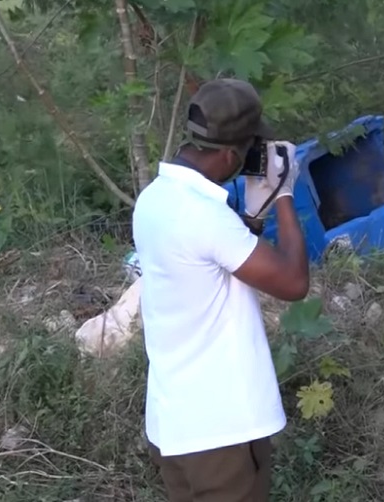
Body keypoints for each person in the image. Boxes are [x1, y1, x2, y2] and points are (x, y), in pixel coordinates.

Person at [131, 78, 309, 502]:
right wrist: (283, 195)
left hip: (174, 426)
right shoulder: (205, 217)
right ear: (232, 153)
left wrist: (253, 213)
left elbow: (212, 263)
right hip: (221, 434)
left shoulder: (155, 199)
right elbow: (294, 283)